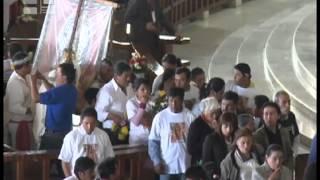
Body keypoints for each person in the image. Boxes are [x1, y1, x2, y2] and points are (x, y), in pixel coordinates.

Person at [148, 87, 195, 180]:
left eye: (177, 101)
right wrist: (156, 161)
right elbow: (153, 142)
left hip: (186, 167)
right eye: (170, 101)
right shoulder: (160, 117)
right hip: (166, 167)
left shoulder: (190, 117)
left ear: (182, 101)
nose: (173, 104)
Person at [31, 63, 78, 150]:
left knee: (45, 161)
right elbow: (53, 91)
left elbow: (35, 98)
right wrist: (43, 79)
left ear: (64, 77)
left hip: (53, 137)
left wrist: (33, 81)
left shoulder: (59, 92)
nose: (56, 76)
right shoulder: (72, 89)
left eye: (58, 74)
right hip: (66, 133)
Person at [59, 107, 114, 178]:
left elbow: (109, 158)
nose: (89, 127)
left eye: (92, 123)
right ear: (81, 121)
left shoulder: (103, 135)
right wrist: (70, 178)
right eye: (86, 123)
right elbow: (65, 161)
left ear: (96, 122)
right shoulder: (71, 137)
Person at [95, 62, 133, 145]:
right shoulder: (107, 90)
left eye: (130, 76)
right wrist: (113, 117)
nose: (129, 79)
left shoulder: (129, 87)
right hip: (112, 132)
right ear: (116, 76)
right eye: (126, 76)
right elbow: (98, 113)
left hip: (128, 129)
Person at [5, 51, 33, 150]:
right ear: (24, 66)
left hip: (25, 121)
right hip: (19, 124)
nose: (31, 66)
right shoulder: (14, 82)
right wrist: (30, 110)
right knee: (20, 154)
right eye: (29, 64)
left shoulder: (24, 76)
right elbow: (13, 106)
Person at [253, 102, 293, 169]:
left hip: (284, 169)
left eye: (272, 114)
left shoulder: (284, 132)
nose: (269, 117)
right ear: (262, 116)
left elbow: (289, 153)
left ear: (278, 116)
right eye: (266, 114)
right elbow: (259, 157)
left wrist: (288, 169)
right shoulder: (258, 135)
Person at [202, 112, 238, 180]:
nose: (229, 129)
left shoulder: (236, 138)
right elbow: (206, 161)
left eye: (231, 126)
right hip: (218, 175)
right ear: (220, 125)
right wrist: (212, 174)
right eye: (226, 126)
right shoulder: (211, 139)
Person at [187, 97, 221, 165]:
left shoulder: (218, 121)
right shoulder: (196, 125)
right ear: (205, 112)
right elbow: (190, 148)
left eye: (216, 112)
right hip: (200, 162)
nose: (215, 116)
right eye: (212, 113)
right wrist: (207, 143)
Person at [126, 78, 153, 145]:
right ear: (136, 91)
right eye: (142, 89)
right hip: (137, 139)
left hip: (150, 138)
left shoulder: (152, 102)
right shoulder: (131, 103)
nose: (146, 91)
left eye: (148, 89)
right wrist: (143, 104)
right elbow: (136, 121)